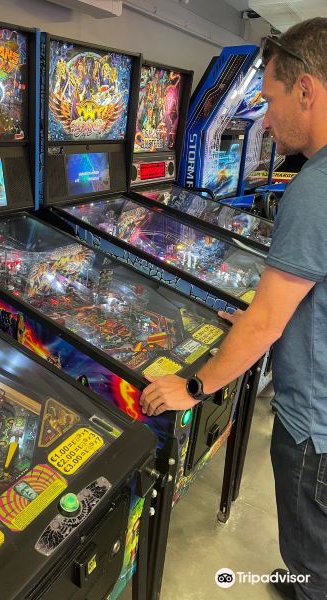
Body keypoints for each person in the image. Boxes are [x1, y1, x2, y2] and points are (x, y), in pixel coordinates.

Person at [140, 17, 327, 600]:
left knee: (314, 556)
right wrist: (259, 322)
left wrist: (194, 385)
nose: (264, 120)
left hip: (315, 430)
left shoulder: (315, 188)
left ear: (306, 90)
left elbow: (267, 321)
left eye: (269, 100)